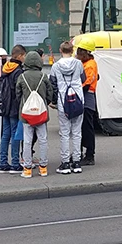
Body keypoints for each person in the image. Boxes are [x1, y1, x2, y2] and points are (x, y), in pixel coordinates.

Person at [16, 50, 54, 178]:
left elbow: (17, 95)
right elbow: (50, 94)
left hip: (26, 114)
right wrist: (45, 102)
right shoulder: (43, 76)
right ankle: (43, 168)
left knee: (27, 140)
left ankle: (27, 169)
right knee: (43, 140)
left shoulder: (22, 77)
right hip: (41, 113)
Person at [50, 41, 85, 175]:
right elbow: (83, 78)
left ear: (60, 50)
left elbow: (53, 84)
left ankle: (65, 163)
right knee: (77, 132)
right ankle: (76, 162)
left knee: (64, 133)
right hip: (77, 100)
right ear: (72, 50)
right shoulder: (78, 64)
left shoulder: (56, 66)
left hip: (63, 102)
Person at [0, 45, 26, 174]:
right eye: (24, 55)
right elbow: (18, 90)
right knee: (15, 134)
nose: (24, 58)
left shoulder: (5, 67)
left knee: (5, 134)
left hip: (4, 105)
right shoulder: (18, 70)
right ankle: (15, 163)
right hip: (14, 105)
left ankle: (2, 163)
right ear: (19, 56)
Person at [76, 42, 97, 166]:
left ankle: (89, 155)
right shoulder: (86, 63)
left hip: (87, 97)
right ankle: (84, 153)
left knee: (87, 128)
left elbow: (87, 83)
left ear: (85, 53)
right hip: (86, 97)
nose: (77, 55)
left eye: (79, 53)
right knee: (82, 127)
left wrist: (75, 89)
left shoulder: (90, 65)